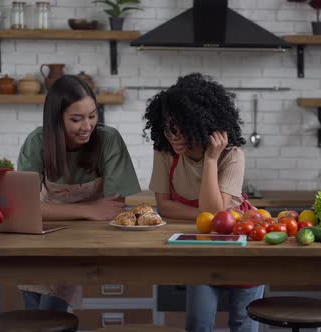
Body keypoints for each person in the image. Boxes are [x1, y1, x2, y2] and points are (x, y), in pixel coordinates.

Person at [144, 73, 263, 332]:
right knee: (197, 325)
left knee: (243, 325)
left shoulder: (231, 155)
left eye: (181, 127)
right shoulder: (164, 152)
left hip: (240, 242)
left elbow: (214, 212)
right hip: (200, 244)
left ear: (203, 123)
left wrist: (210, 159)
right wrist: (207, 215)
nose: (173, 135)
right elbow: (164, 206)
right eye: (168, 126)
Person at [17, 75, 141, 311]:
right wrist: (88, 209)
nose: (87, 126)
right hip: (39, 239)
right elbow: (25, 209)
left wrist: (50, 211)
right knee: (32, 317)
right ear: (56, 119)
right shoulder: (37, 142)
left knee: (51, 315)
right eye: (76, 119)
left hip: (83, 242)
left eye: (92, 116)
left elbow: (112, 209)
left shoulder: (109, 140)